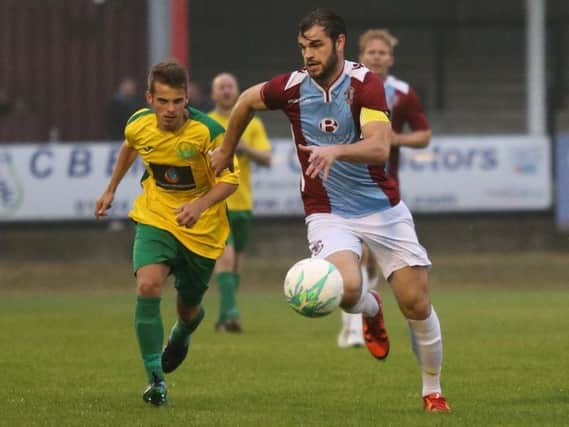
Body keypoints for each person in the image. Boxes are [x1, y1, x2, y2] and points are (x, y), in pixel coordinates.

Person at [210, 9, 450, 412]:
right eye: (303, 47)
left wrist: (336, 150)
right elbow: (247, 101)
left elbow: (379, 146)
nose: (308, 54)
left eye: (316, 45)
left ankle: (432, 390)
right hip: (328, 210)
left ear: (339, 43)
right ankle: (370, 308)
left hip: (382, 208)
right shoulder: (290, 87)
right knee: (347, 289)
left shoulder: (364, 85)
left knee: (416, 303)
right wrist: (226, 149)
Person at [94, 59, 239, 406]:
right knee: (147, 284)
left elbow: (230, 181)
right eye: (163, 101)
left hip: (201, 230)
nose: (171, 109)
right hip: (157, 216)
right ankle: (155, 379)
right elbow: (131, 145)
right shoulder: (138, 124)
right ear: (149, 98)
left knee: (188, 310)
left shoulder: (209, 132)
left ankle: (183, 333)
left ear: (187, 99)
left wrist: (199, 206)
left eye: (178, 101)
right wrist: (111, 188)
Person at [337, 29, 432, 349]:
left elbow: (423, 134)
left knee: (372, 261)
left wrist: (395, 140)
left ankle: (364, 303)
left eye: (382, 53)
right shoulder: (344, 86)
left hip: (383, 187)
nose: (376, 58)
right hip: (347, 183)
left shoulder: (403, 93)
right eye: (371, 53)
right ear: (360, 55)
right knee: (356, 254)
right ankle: (351, 328)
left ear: (390, 58)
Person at [208, 72, 272, 332]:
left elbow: (266, 158)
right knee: (225, 257)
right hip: (216, 203)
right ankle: (232, 313)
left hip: (243, 203)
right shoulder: (206, 124)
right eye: (220, 87)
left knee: (235, 263)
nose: (225, 91)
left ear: (237, 92)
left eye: (229, 86)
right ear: (213, 94)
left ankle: (224, 318)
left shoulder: (252, 123)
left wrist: (241, 146)